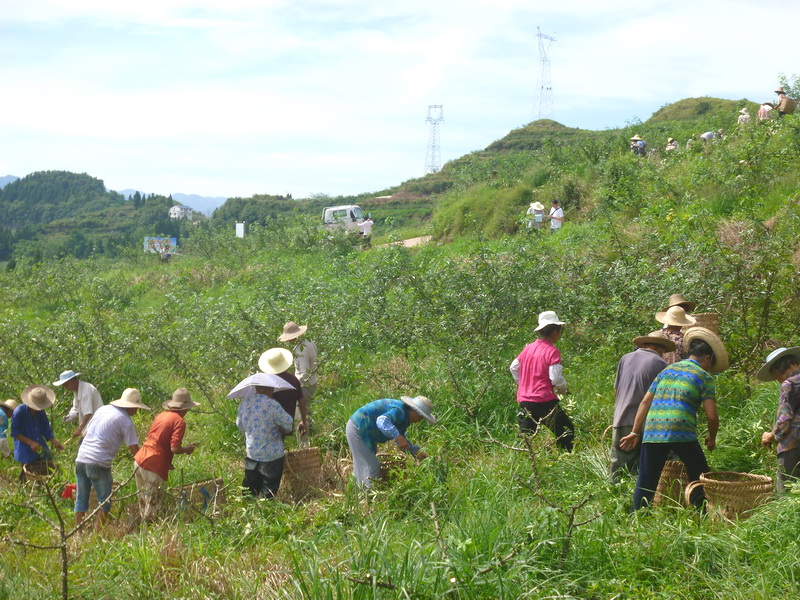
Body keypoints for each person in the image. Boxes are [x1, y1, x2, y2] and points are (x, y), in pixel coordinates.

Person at [620, 327, 728, 510]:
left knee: (647, 478)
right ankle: (699, 511)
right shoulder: (704, 377)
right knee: (699, 472)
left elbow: (645, 402)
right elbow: (712, 416)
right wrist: (712, 438)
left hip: (654, 429)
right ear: (708, 358)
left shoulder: (667, 371)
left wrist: (635, 432)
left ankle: (636, 517)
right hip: (681, 429)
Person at [74, 388, 150, 527]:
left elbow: (84, 434)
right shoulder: (126, 421)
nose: (136, 411)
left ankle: (79, 534)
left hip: (81, 459)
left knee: (81, 499)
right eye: (136, 408)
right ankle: (97, 537)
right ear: (130, 407)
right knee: (105, 502)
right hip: (98, 463)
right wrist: (147, 466)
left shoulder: (103, 410)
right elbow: (134, 450)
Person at [610, 332, 676, 483]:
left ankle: (613, 494)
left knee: (618, 463)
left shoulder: (625, 358)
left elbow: (617, 391)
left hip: (620, 417)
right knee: (641, 465)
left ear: (644, 345)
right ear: (661, 349)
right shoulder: (660, 364)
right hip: (644, 421)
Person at [510, 311, 574, 451]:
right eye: (559, 330)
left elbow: (514, 367)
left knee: (525, 439)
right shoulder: (552, 351)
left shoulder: (528, 348)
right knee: (566, 431)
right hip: (544, 402)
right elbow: (556, 378)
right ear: (554, 331)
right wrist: (562, 389)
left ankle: (522, 466)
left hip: (525, 401)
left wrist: (523, 385)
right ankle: (566, 459)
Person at [134, 388, 199, 521]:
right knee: (153, 505)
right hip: (153, 465)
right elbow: (174, 448)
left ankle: (141, 531)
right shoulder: (179, 421)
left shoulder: (161, 415)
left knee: (143, 501)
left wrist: (167, 462)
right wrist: (187, 449)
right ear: (185, 408)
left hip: (140, 459)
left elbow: (156, 439)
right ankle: (150, 535)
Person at [346, 395, 435, 488]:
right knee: (371, 466)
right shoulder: (399, 410)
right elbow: (382, 421)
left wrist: (416, 451)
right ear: (414, 411)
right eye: (421, 417)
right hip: (358, 428)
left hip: (366, 433)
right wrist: (397, 437)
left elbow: (401, 442)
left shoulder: (405, 418)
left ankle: (357, 493)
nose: (420, 421)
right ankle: (368, 498)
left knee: (364, 466)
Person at [237, 384, 293, 498]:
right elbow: (288, 424)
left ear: (256, 388)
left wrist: (251, 432)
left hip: (252, 452)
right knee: (269, 489)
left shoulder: (245, 403)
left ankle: (248, 509)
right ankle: (266, 509)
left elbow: (239, 424)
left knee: (250, 487)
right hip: (272, 454)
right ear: (271, 389)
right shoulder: (272, 405)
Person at [758, 347, 800, 492]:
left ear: (778, 371)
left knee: (786, 493)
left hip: (793, 446)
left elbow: (784, 419)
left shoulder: (789, 384)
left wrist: (770, 436)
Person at [11, 385, 64, 480]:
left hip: (39, 444)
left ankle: (41, 488)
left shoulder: (41, 412)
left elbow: (45, 429)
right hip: (24, 448)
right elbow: (15, 433)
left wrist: (54, 441)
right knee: (27, 470)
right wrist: (30, 442)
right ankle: (23, 489)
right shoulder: (19, 412)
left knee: (45, 467)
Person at [259, 348, 308, 436]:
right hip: (286, 425)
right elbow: (302, 402)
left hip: (269, 425)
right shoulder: (293, 380)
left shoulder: (267, 383)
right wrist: (303, 421)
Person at [278, 321, 318, 413]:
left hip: (305, 385)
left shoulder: (301, 350)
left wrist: (292, 385)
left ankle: (305, 426)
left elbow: (304, 373)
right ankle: (308, 425)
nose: (288, 340)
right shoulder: (309, 341)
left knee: (300, 411)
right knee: (306, 407)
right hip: (312, 382)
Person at [54, 370, 103, 440]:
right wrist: (70, 416)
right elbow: (76, 407)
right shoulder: (77, 390)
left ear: (72, 381)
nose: (66, 387)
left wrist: (79, 429)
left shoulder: (86, 390)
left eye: (66, 384)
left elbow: (88, 413)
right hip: (89, 428)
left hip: (96, 427)